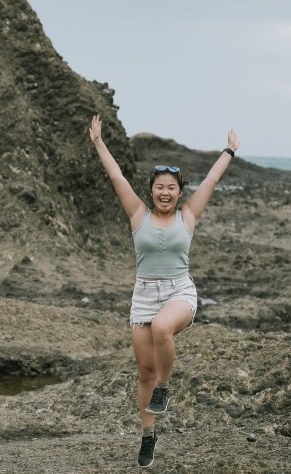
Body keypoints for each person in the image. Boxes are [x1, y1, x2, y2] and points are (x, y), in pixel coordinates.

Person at [88, 114, 239, 468]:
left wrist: (229, 150)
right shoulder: (137, 214)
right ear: (151, 190)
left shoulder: (188, 217)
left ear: (179, 192)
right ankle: (148, 435)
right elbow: (116, 176)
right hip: (143, 295)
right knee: (144, 371)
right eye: (160, 186)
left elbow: (213, 180)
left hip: (179, 293)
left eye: (172, 187)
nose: (165, 192)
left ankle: (165, 388)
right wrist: (98, 143)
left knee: (162, 329)